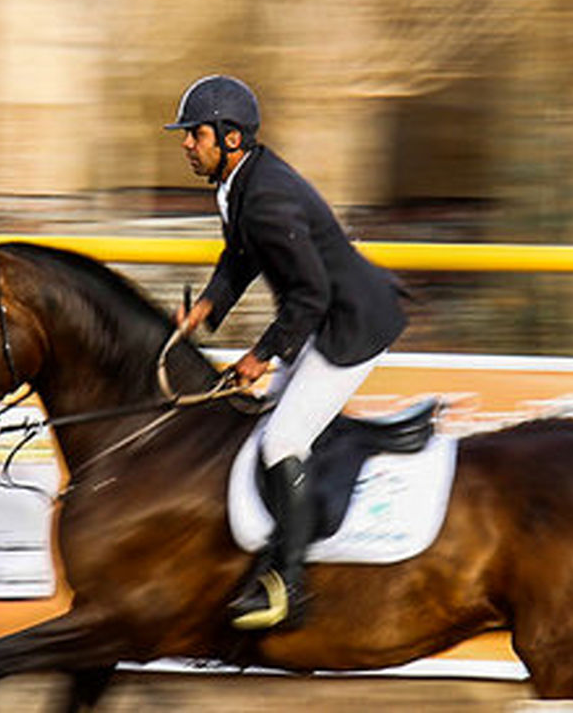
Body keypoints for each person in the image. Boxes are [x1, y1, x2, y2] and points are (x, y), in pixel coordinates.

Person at [167, 75, 407, 630]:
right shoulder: (240, 182)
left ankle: (287, 587)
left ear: (229, 138)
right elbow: (240, 256)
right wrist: (208, 307)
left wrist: (261, 356)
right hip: (321, 315)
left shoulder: (267, 197)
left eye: (194, 134)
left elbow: (311, 295)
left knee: (281, 441)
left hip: (350, 327)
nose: (185, 144)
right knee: (269, 422)